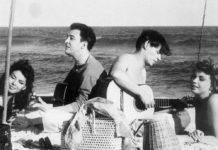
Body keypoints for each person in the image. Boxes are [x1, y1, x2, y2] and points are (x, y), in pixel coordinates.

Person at [32, 23, 107, 132]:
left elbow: (81, 105)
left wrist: (52, 110)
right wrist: (42, 101)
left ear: (83, 45)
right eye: (67, 37)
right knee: (37, 111)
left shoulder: (90, 70)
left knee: (44, 116)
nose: (66, 41)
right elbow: (66, 95)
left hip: (89, 121)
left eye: (71, 38)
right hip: (78, 114)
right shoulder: (79, 66)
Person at [109, 29, 171, 109]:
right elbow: (116, 74)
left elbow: (132, 99)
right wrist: (142, 93)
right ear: (147, 44)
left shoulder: (143, 72)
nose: (160, 58)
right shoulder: (126, 58)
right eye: (158, 52)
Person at [188, 59, 218, 141]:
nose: (194, 81)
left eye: (201, 79)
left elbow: (217, 139)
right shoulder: (197, 100)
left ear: (212, 85)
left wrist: (198, 135)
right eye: (193, 76)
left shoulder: (214, 100)